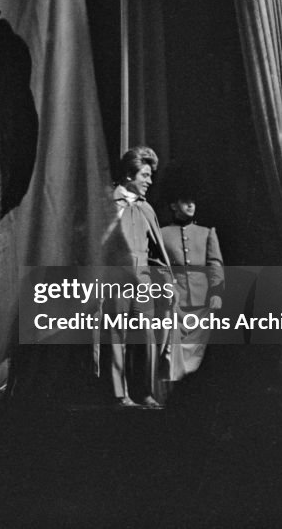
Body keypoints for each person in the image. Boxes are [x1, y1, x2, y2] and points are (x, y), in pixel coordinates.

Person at [103, 146, 174, 409]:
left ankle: (144, 392)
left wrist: (167, 282)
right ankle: (119, 395)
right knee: (116, 336)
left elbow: (156, 253)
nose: (149, 181)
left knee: (145, 338)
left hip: (142, 284)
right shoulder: (109, 204)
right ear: (130, 175)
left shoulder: (146, 209)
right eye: (145, 175)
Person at [161, 193, 224, 380]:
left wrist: (216, 292)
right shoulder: (161, 233)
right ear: (173, 205)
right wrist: (167, 289)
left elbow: (215, 264)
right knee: (174, 350)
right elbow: (160, 267)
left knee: (197, 350)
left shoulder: (207, 232)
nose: (190, 205)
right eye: (185, 201)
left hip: (202, 300)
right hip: (174, 301)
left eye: (193, 201)